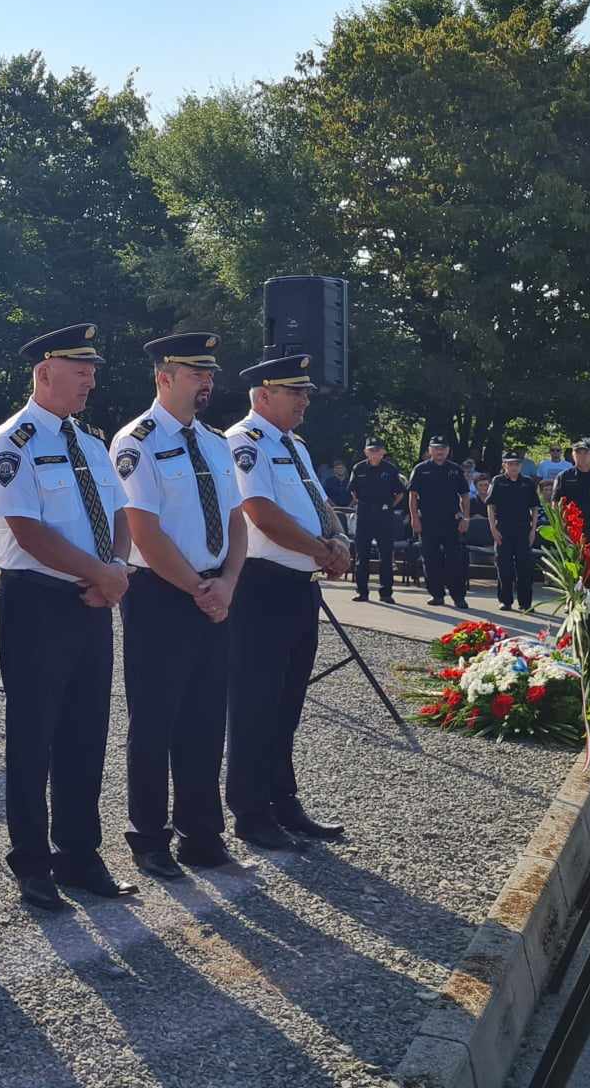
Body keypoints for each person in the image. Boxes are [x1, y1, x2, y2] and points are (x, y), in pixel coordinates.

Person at [0, 323, 135, 910]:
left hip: (93, 600)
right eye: (80, 370)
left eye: (92, 371)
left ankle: (79, 853)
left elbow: (119, 513)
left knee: (86, 732)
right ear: (45, 372)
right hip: (38, 602)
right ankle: (31, 862)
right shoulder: (12, 443)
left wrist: (115, 568)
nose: (91, 381)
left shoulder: (91, 443)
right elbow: (28, 530)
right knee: (33, 735)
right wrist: (102, 574)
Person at [111, 332, 246, 880]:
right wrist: (198, 588)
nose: (206, 383)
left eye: (209, 373)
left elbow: (236, 520)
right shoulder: (136, 442)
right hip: (160, 596)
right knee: (155, 721)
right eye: (195, 373)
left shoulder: (214, 442)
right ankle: (149, 838)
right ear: (164, 378)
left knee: (206, 719)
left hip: (215, 592)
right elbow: (143, 531)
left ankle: (201, 834)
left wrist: (228, 582)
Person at [225, 352, 350, 852]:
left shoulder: (294, 445)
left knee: (287, 703)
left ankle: (283, 800)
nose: (304, 401)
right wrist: (322, 550)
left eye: (305, 393)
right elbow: (259, 512)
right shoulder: (244, 442)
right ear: (263, 395)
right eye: (294, 392)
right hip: (261, 587)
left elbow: (320, 505)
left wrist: (339, 541)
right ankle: (251, 811)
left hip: (300, 586)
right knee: (255, 703)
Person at [407, 436, 470, 608]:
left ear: (448, 450)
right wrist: (414, 518)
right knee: (430, 559)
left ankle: (458, 596)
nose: (439, 451)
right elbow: (412, 496)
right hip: (428, 521)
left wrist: (466, 518)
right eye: (436, 448)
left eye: (442, 448)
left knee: (455, 560)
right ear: (430, 450)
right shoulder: (420, 469)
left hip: (451, 521)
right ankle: (437, 595)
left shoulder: (455, 470)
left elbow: (465, 496)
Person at [347, 439, 406, 604]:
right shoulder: (358, 468)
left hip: (384, 516)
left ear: (383, 452)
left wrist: (389, 505)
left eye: (377, 450)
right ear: (366, 452)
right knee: (362, 556)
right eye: (371, 450)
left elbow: (400, 493)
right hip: (364, 515)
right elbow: (353, 491)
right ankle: (362, 592)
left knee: (386, 556)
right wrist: (364, 504)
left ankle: (386, 593)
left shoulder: (390, 469)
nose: (374, 453)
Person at [486, 453, 540, 612]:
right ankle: (505, 601)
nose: (514, 467)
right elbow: (490, 506)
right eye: (510, 464)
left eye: (516, 464)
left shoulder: (528, 482)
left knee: (525, 568)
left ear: (521, 466)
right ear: (504, 465)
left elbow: (534, 507)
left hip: (523, 530)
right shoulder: (498, 481)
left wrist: (533, 530)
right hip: (503, 529)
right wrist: (493, 528)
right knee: (504, 567)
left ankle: (525, 603)